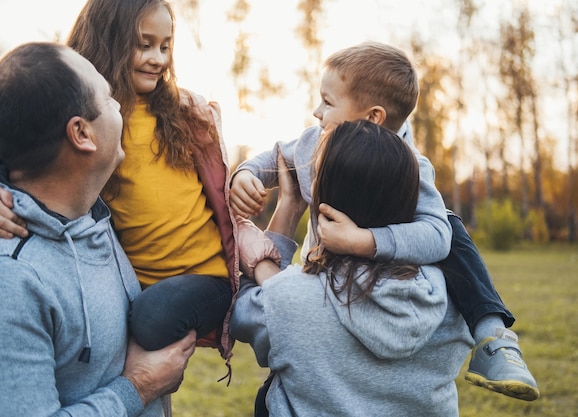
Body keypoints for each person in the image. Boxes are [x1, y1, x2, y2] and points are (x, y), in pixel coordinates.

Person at [230, 41, 539, 402]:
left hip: (358, 282)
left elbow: (438, 236)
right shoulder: (314, 142)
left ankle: (493, 334)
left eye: (328, 102)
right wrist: (246, 174)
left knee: (450, 225)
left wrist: (361, 240)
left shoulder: (412, 168)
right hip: (322, 275)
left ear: (373, 117)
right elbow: (275, 158)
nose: (316, 112)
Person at [0, 0, 279, 374]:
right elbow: (22, 143)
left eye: (165, 47)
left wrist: (245, 180)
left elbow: (220, 182)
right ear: (107, 42)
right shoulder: (86, 117)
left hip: (203, 275)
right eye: (143, 44)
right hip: (133, 280)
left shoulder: (182, 115)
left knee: (150, 320)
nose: (157, 58)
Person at [0, 41, 195, 416]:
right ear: (82, 134)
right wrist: (140, 386)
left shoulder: (93, 214)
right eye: (108, 99)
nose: (120, 105)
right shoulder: (14, 280)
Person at [231, 119, 474, 416]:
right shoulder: (453, 298)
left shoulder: (290, 299)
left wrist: (288, 206)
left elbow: (241, 307)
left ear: (324, 202)